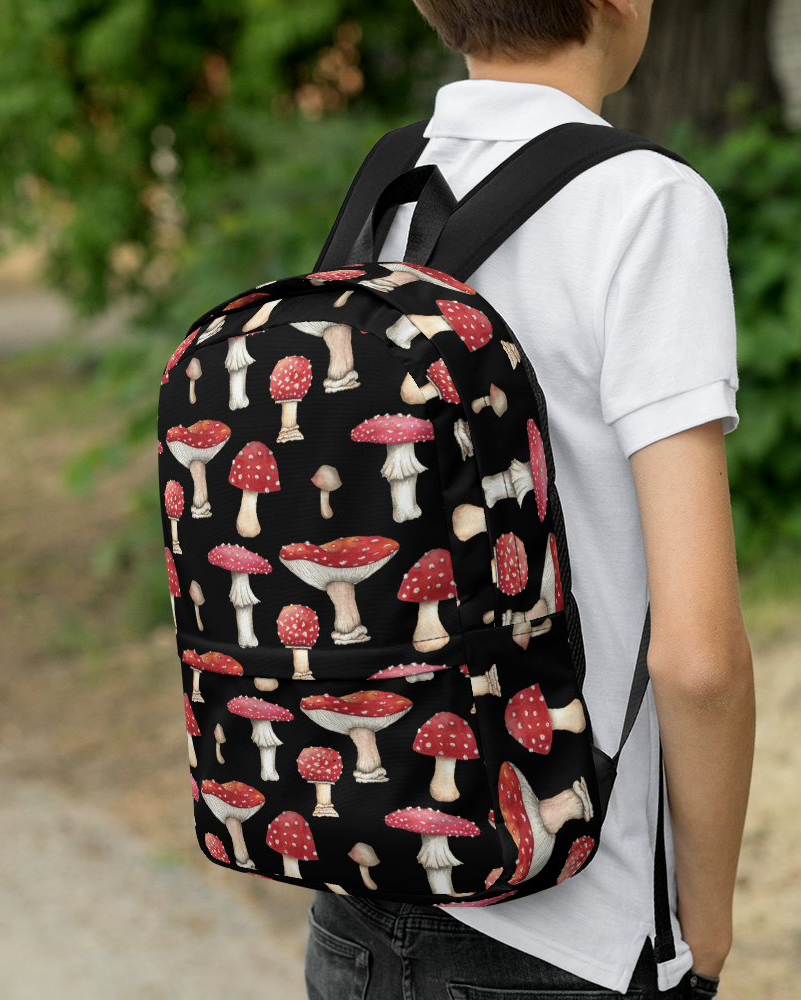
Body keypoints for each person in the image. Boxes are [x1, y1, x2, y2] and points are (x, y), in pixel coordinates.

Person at [304, 1, 755, 997]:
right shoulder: (646, 203)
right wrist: (704, 928)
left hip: (357, 892)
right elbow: (697, 658)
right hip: (567, 919)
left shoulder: (387, 187)